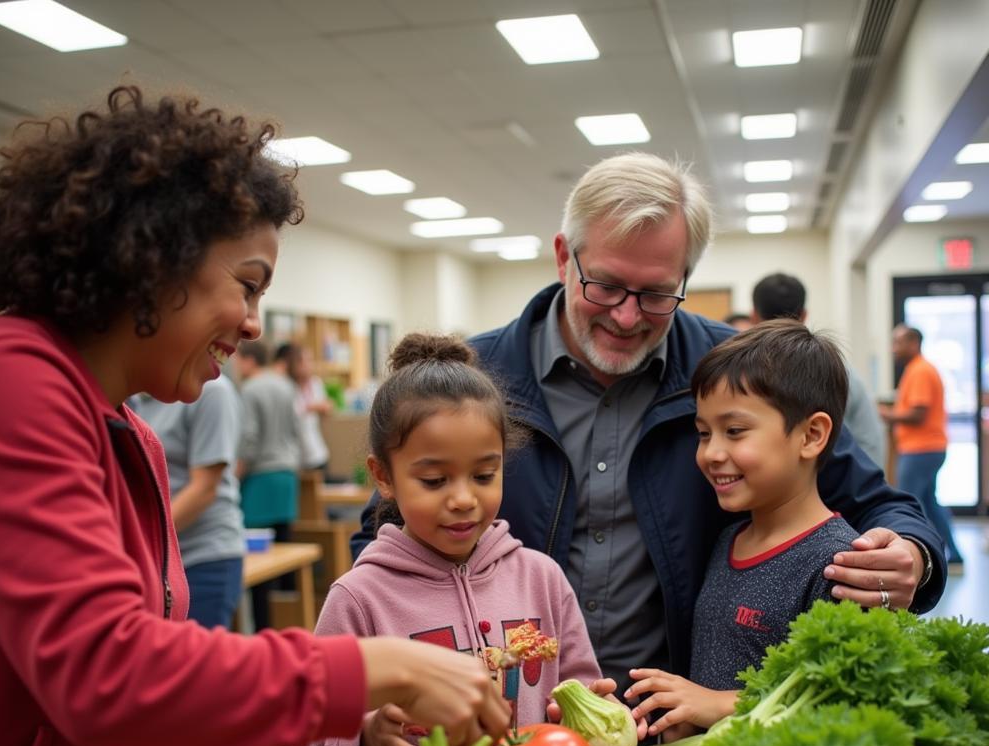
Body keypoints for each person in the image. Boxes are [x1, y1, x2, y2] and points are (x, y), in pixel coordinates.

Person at [0, 84, 508, 746]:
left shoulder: (124, 426)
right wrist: (373, 668)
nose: (256, 324)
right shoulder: (7, 380)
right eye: (248, 285)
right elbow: (104, 670)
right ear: (153, 259)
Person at [352, 152, 944, 698]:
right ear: (564, 256)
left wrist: (912, 555)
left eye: (658, 294)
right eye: (606, 285)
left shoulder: (733, 380)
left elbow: (877, 503)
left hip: (670, 724)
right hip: (513, 720)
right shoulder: (473, 382)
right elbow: (384, 537)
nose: (628, 315)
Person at [296, 333, 606, 746]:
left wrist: (599, 717)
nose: (463, 499)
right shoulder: (359, 600)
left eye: (485, 475)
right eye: (435, 481)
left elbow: (579, 688)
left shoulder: (540, 578)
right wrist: (370, 744)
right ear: (384, 477)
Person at [625, 321, 859, 734]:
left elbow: (837, 699)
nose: (712, 453)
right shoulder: (728, 539)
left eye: (734, 432)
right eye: (702, 433)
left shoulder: (841, 564)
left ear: (811, 435)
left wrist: (716, 704)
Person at [129, 377, 244, 746]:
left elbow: (203, 486)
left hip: (205, 556)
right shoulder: (126, 395)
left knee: (204, 693)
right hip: (144, 557)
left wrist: (133, 539)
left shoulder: (212, 393)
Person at [751, 272, 886, 468]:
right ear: (805, 314)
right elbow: (870, 443)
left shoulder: (740, 376)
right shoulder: (841, 373)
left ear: (753, 316)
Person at [880, 324, 964, 571]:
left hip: (922, 449)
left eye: (898, 342)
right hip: (925, 448)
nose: (893, 348)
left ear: (914, 343)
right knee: (929, 503)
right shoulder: (916, 370)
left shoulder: (920, 371)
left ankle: (911, 562)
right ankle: (954, 555)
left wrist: (888, 415)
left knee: (906, 505)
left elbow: (917, 413)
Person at [235, 339, 305, 629]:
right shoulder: (286, 386)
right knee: (285, 553)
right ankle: (292, 625)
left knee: (259, 561)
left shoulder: (250, 390)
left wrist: (234, 475)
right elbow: (296, 430)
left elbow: (249, 440)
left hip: (260, 477)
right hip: (287, 475)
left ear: (249, 361)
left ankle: (264, 628)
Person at [276, 341, 332, 473]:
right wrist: (312, 407)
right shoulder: (287, 387)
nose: (308, 365)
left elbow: (326, 409)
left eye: (310, 360)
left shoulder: (315, 383)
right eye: (304, 361)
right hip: (296, 459)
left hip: (318, 453)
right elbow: (291, 415)